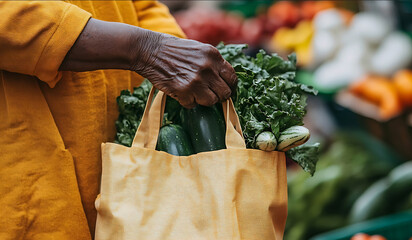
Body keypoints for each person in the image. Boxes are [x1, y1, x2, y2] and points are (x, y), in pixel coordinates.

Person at [0, 1, 237, 239]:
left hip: (127, 143)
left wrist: (172, 47)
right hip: (34, 156)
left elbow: (143, 6)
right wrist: (145, 48)